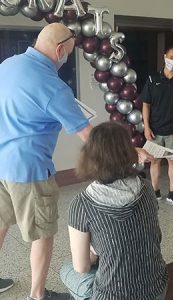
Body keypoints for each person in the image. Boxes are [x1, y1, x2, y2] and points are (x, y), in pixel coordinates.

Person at [0, 23, 93, 300]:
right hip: (30, 170)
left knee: (1, 222)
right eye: (68, 53)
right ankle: (37, 296)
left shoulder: (8, 65)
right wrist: (128, 153)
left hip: (1, 163)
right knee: (42, 233)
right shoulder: (53, 87)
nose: (66, 59)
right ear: (60, 49)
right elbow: (89, 136)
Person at [60, 122, 168, 300]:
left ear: (90, 156)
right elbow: (152, 236)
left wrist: (96, 251)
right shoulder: (147, 188)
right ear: (130, 151)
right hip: (157, 287)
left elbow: (82, 267)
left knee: (67, 268)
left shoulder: (81, 205)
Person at [141, 46, 173, 206]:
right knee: (154, 161)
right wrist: (146, 127)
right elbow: (146, 104)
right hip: (154, 131)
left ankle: (172, 193)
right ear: (165, 56)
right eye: (171, 57)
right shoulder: (152, 79)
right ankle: (155, 192)